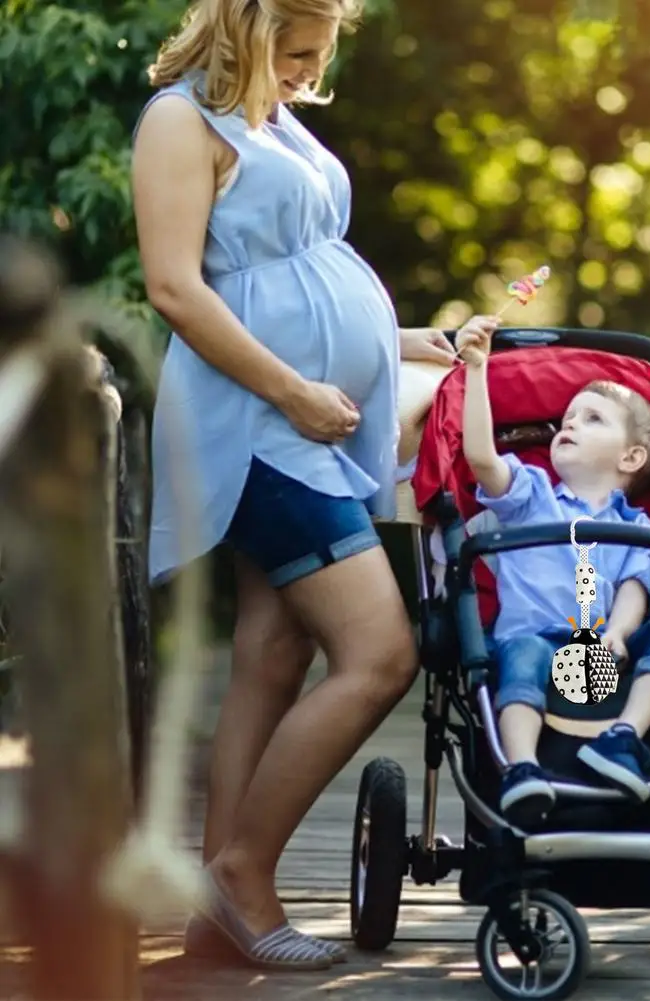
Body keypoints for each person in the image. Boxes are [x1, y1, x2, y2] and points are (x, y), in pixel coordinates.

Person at [131, 0, 456, 971]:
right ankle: (244, 868)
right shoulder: (179, 122)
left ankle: (213, 904)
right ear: (244, 30)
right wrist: (297, 392)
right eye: (297, 52)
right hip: (254, 427)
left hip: (308, 421)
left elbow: (296, 276)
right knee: (378, 652)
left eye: (323, 51)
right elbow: (178, 288)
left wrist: (392, 343)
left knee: (272, 650)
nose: (311, 70)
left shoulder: (272, 118)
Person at [455, 315, 650, 829]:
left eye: (592, 419)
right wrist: (477, 370)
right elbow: (481, 457)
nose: (569, 425)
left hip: (605, 649)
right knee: (521, 649)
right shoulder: (530, 496)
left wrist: (618, 631)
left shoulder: (639, 526)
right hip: (538, 643)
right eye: (568, 418)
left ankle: (623, 738)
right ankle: (521, 767)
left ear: (632, 457)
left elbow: (636, 589)